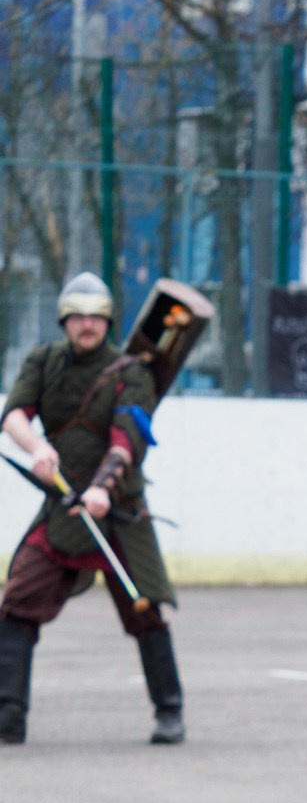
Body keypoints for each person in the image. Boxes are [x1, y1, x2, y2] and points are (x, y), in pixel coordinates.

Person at [0, 272, 182, 745]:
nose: (87, 325)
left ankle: (169, 711)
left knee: (145, 610)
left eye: (96, 317)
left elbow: (126, 439)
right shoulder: (44, 362)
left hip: (118, 511)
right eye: (78, 316)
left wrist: (101, 488)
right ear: (65, 320)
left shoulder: (131, 371)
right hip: (64, 510)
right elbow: (14, 415)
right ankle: (7, 717)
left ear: (107, 322)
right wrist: (36, 447)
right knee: (18, 601)